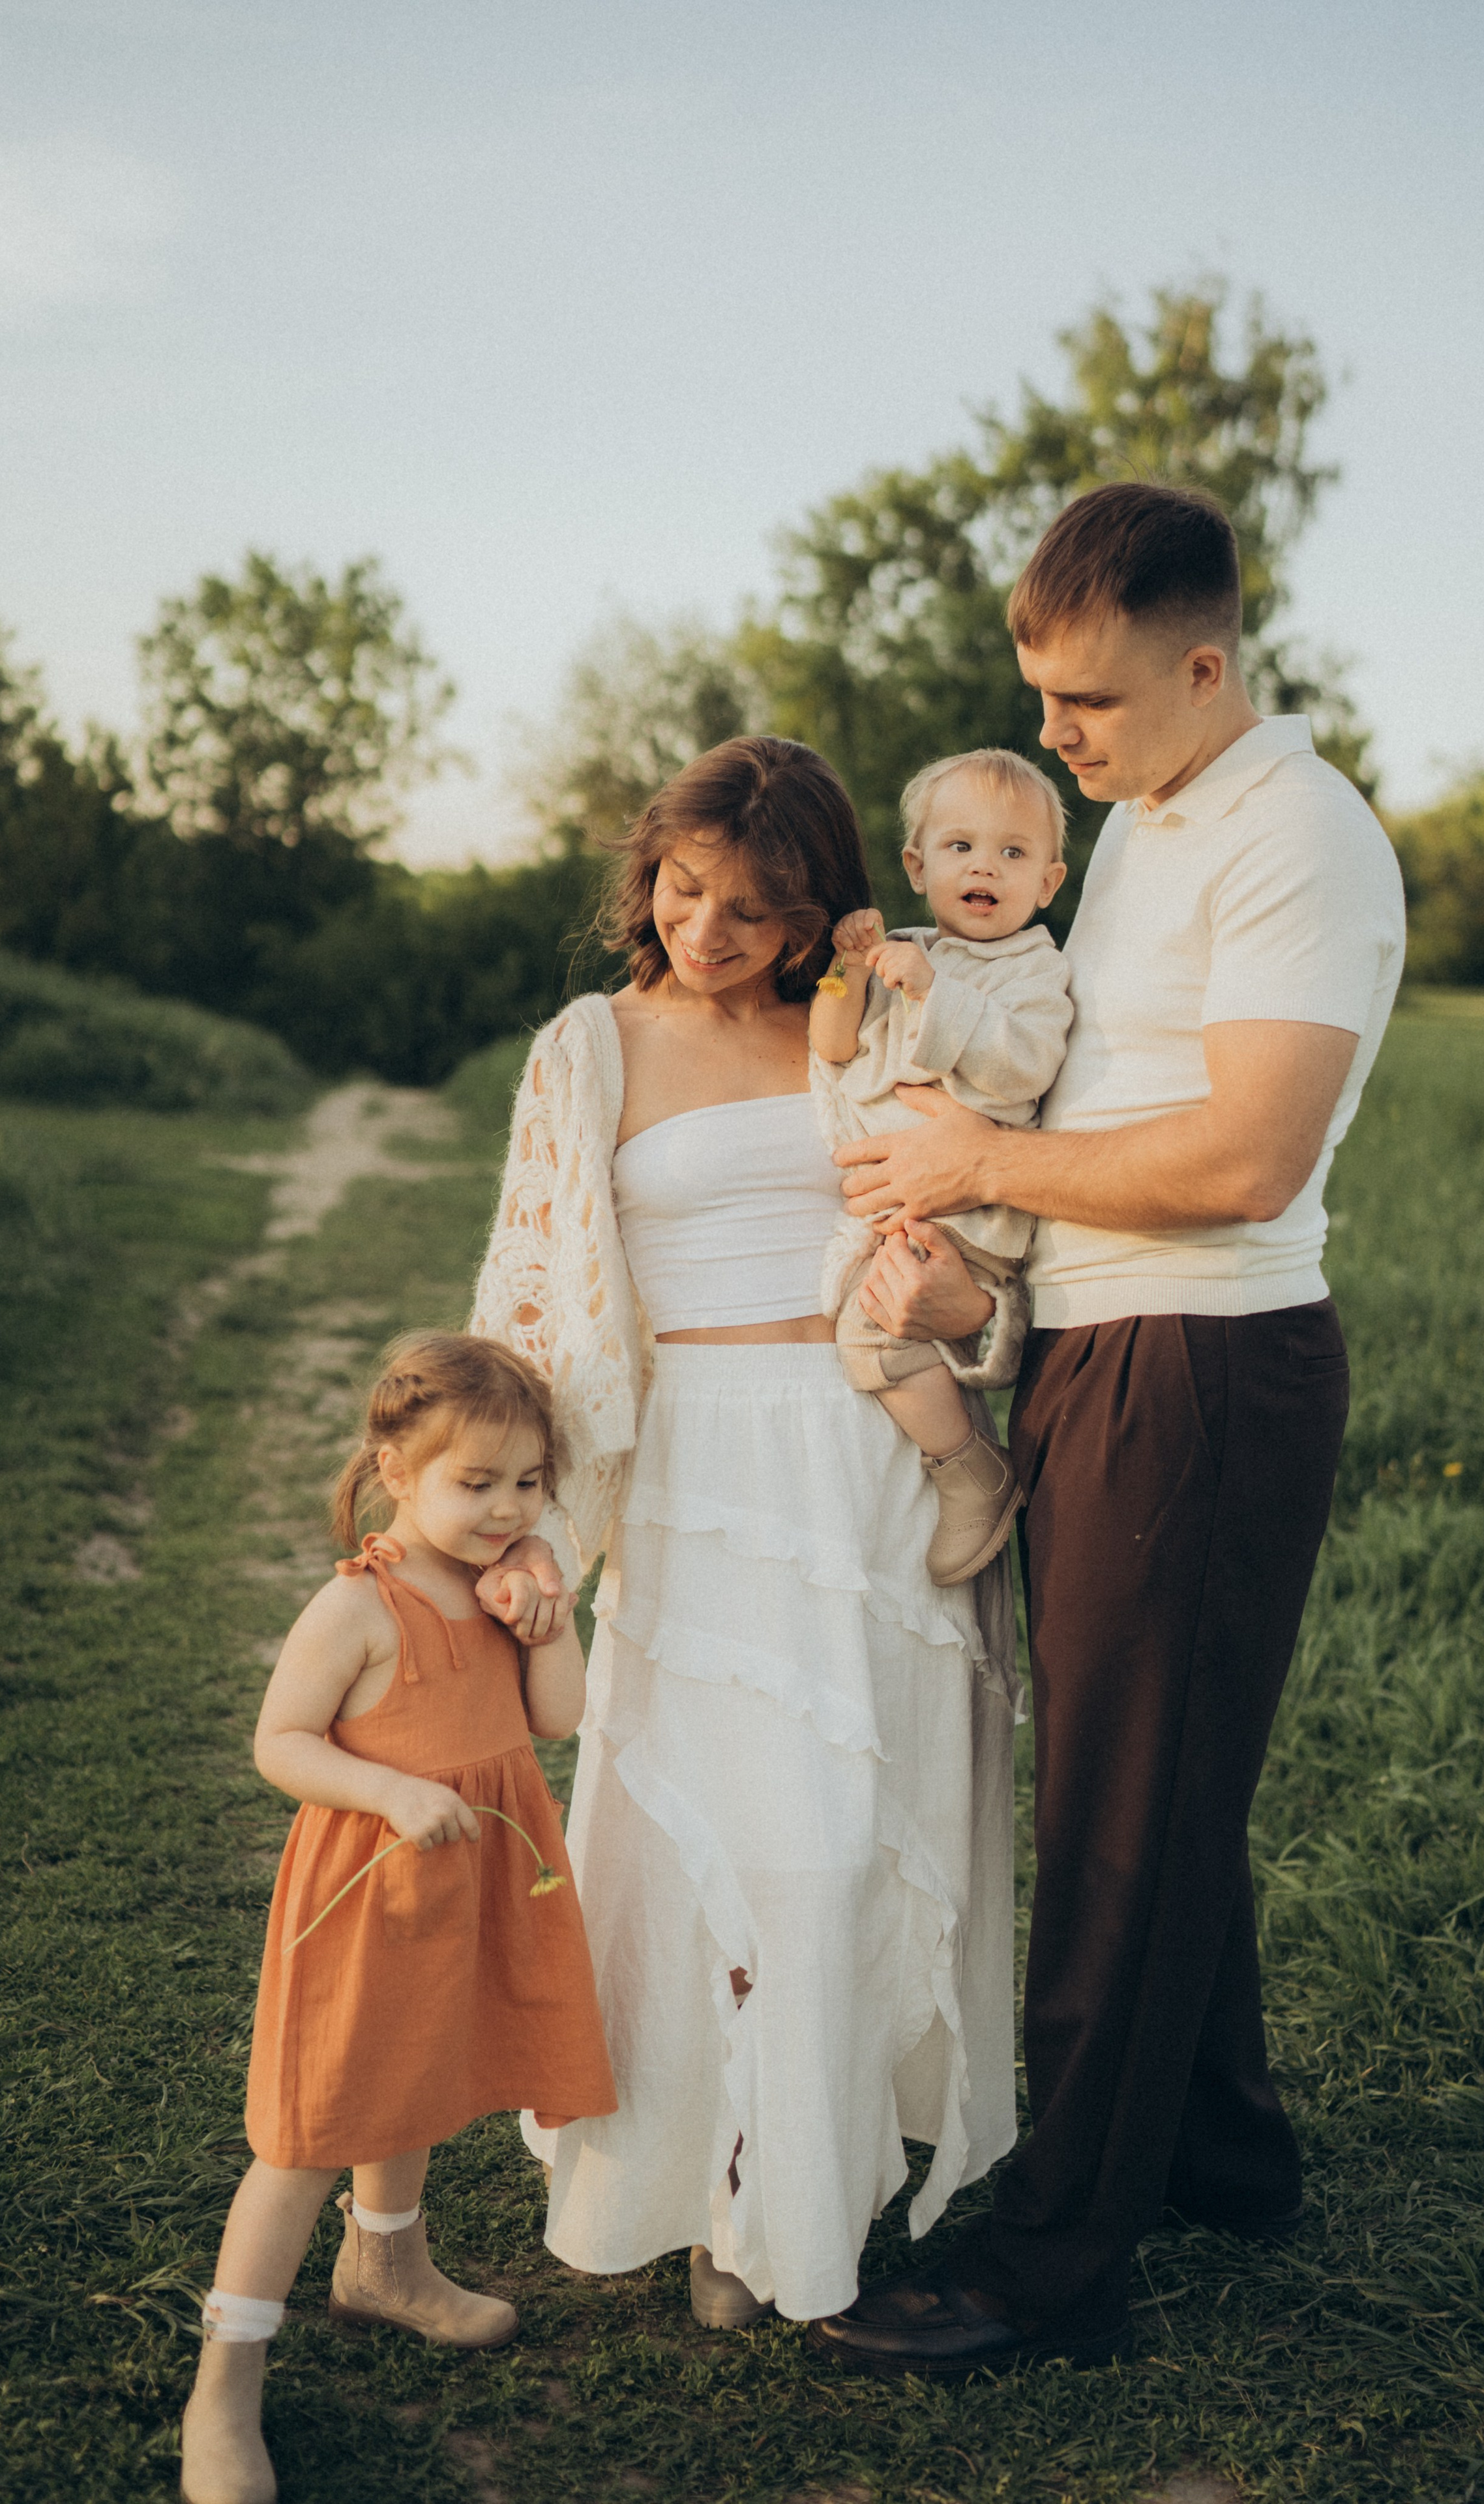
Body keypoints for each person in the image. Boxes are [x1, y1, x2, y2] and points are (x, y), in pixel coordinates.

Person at [810, 481, 1407, 2375]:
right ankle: (1220, 2150)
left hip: (1207, 1368)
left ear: (1203, 662)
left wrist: (977, 1155)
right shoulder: (1146, 825)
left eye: (1085, 703)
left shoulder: (1297, 836)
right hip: (1094, 1344)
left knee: (1121, 1826)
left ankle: (1049, 2261)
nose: (1051, 739)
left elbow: (1244, 1155)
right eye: (1037, 699)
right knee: (1152, 1775)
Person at [469, 735, 1020, 2333]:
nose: (708, 930)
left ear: (814, 914)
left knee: (844, 1836)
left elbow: (990, 1255)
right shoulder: (588, 1044)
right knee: (713, 1833)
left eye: (754, 908)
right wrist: (512, 1521)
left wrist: (965, 1310)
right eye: (682, 888)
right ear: (647, 880)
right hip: (694, 1467)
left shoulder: (876, 1035)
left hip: (867, 1452)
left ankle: (794, 2197)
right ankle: (701, 2180)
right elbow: (529, 1286)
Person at [179, 1333, 613, 2504]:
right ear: (394, 1470)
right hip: (372, 1893)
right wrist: (391, 1789)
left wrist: (548, 1614)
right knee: (311, 2131)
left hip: (464, 1888)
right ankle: (225, 2383)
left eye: (528, 1483)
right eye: (475, 1484)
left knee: (416, 2078)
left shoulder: (504, 1585)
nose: (505, 1508)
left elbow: (558, 1718)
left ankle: (389, 2264)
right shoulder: (357, 1608)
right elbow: (281, 1744)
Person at [809, 748, 1073, 1585]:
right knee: (866, 1328)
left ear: (1048, 883)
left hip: (970, 1217)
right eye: (960, 848)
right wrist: (846, 970)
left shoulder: (1034, 969)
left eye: (1012, 852)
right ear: (918, 867)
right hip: (906, 1206)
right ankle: (950, 1458)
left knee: (869, 1336)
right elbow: (832, 1045)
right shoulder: (902, 950)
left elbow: (1024, 1065)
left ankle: (969, 1472)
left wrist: (934, 994)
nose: (984, 867)